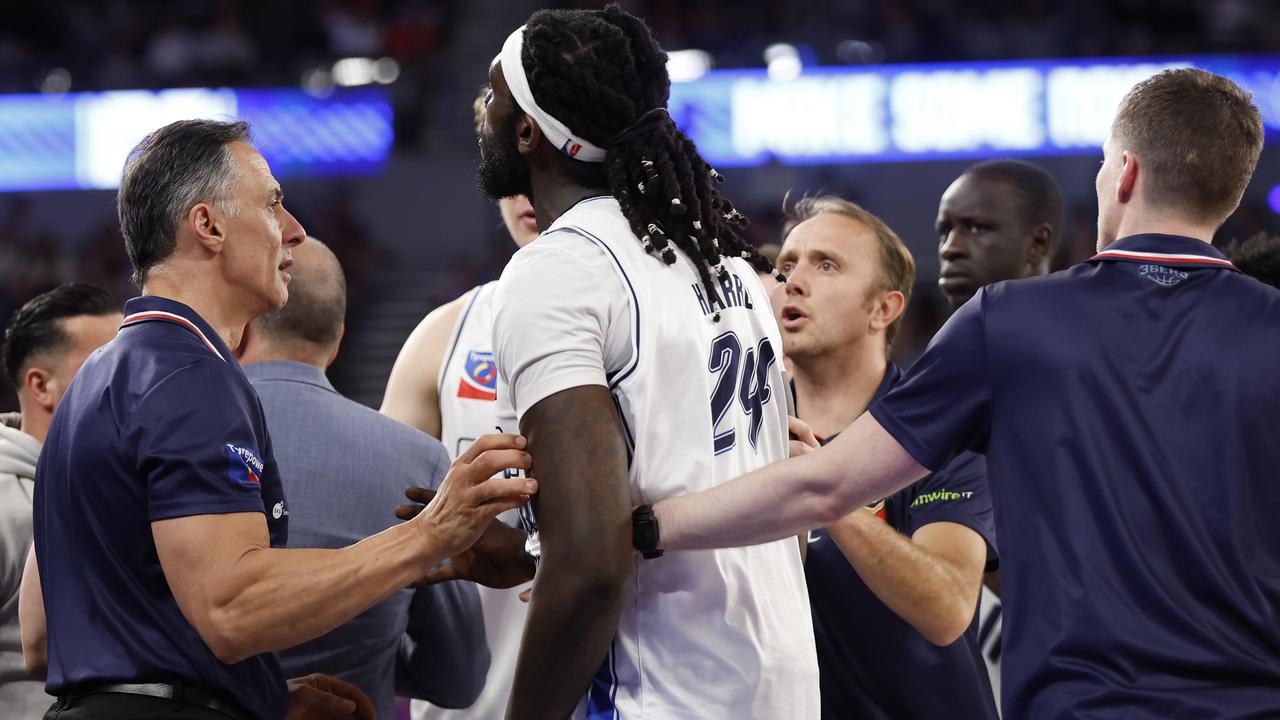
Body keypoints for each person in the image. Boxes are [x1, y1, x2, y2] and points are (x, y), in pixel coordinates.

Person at [645, 68, 1280, 718]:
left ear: (1122, 172)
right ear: (1228, 195)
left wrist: (640, 526)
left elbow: (826, 487)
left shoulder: (1010, 319)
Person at [31, 119, 537, 720]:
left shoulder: (101, 373)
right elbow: (231, 609)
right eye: (272, 203)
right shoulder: (189, 376)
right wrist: (429, 534)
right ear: (209, 226)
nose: (293, 230)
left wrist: (260, 697)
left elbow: (49, 634)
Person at [473, 6, 816, 718]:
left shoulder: (559, 269)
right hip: (774, 674)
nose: (482, 108)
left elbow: (593, 564)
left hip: (663, 687)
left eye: (493, 93)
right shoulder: (724, 262)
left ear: (530, 133)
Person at [235, 237, 493, 719]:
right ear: (338, 341)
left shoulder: (166, 440)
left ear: (240, 330)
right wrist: (370, 652)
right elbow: (459, 679)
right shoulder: (418, 459)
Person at [776, 196, 998, 719]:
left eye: (825, 265)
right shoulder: (739, 429)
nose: (794, 281)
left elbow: (947, 608)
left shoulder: (947, 436)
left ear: (884, 308)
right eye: (787, 265)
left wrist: (818, 491)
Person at [382, 90, 539, 720]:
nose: (527, 190)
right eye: (510, 169)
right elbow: (385, 528)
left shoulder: (664, 323)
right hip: (475, 703)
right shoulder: (442, 335)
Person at [934, 157, 1063, 705]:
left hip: (1085, 650)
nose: (951, 247)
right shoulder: (937, 367)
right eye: (945, 229)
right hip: (977, 647)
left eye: (976, 228)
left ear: (1037, 242)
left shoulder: (1078, 357)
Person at [0, 284, 120, 717]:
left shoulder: (121, 489)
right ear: (41, 386)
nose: (128, 383)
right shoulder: (4, 503)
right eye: (103, 366)